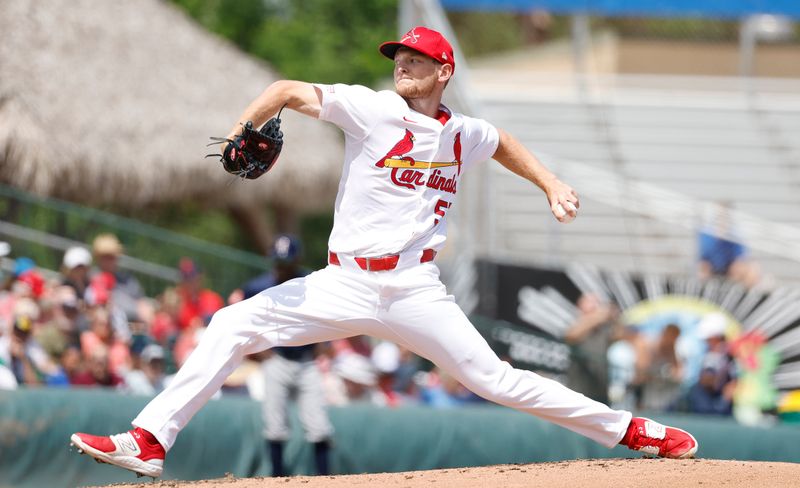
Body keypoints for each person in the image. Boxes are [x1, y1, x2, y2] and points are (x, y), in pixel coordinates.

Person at [70, 26, 698, 478]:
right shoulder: (371, 110)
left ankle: (634, 430)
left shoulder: (460, 133)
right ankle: (149, 439)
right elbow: (286, 88)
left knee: (496, 380)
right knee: (232, 323)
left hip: (415, 290)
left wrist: (551, 183)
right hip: (341, 282)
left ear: (443, 71)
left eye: (417, 58)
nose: (403, 63)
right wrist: (243, 129)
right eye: (399, 55)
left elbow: (501, 139)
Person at [232, 235, 333, 477]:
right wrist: (258, 351)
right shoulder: (257, 287)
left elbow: (327, 315)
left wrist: (323, 343)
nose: (281, 267)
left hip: (307, 360)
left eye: (286, 262)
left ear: (297, 260)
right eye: (278, 262)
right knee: (274, 425)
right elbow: (240, 318)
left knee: (318, 425)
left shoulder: (311, 284)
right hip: (276, 359)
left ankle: (327, 480)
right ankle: (277, 479)